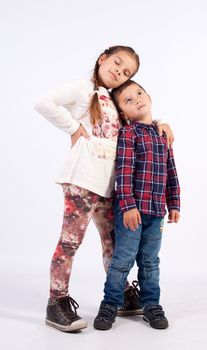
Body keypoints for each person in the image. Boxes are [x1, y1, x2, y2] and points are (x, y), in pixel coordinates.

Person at [34, 46, 174, 332]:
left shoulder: (114, 100)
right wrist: (73, 128)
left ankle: (121, 293)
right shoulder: (84, 89)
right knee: (70, 242)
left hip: (110, 187)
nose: (118, 72)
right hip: (83, 182)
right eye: (117, 63)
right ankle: (56, 301)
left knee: (113, 243)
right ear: (102, 58)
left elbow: (136, 120)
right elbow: (44, 102)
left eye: (126, 72)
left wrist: (160, 122)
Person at [94, 79, 180, 331]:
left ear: (149, 96)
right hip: (131, 211)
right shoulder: (129, 133)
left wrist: (174, 202)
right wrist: (129, 206)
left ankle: (151, 304)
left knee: (151, 261)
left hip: (156, 212)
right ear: (123, 113)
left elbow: (171, 171)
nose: (137, 100)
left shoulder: (163, 134)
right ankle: (110, 303)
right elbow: (124, 171)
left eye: (139, 94)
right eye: (129, 100)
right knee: (123, 259)